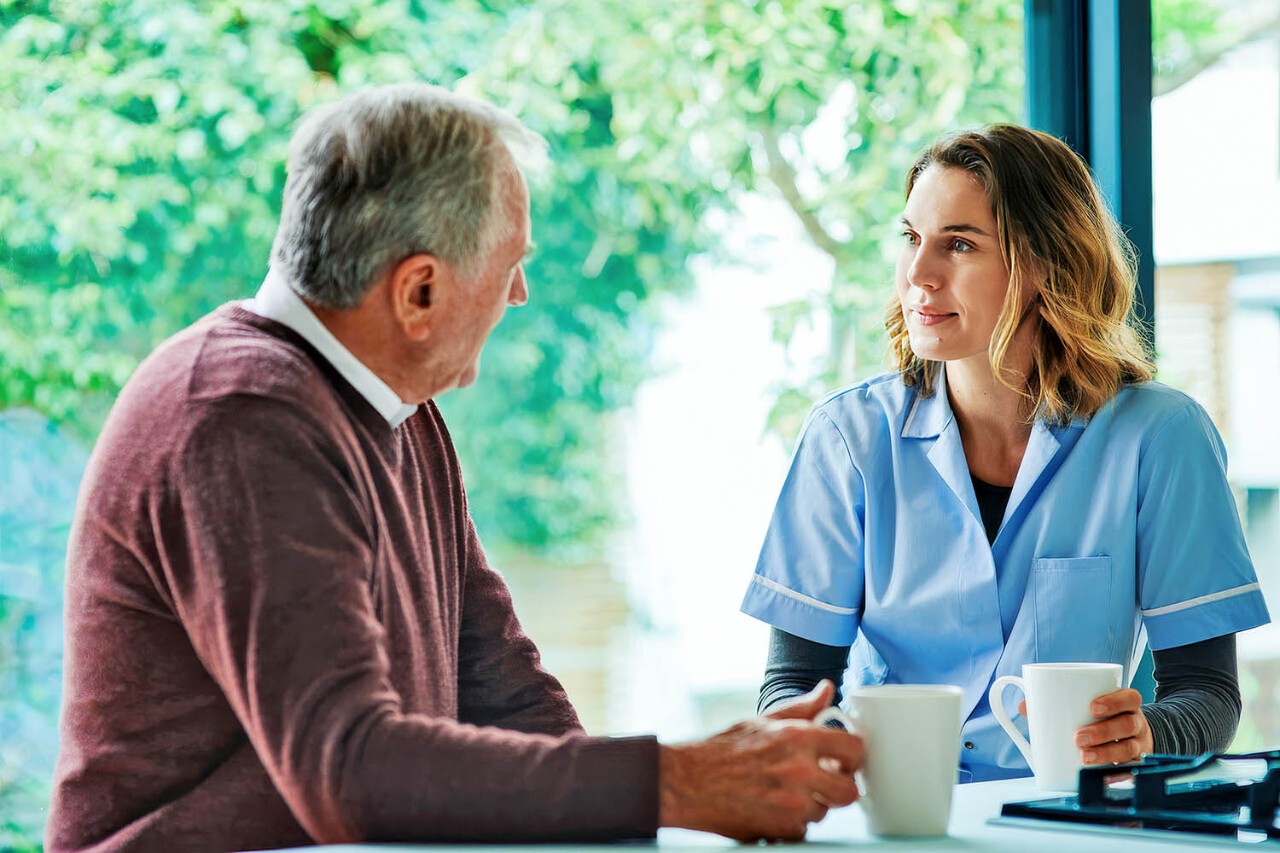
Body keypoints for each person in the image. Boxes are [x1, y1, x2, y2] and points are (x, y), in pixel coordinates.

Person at [46, 83, 864, 852]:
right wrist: (680, 780)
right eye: (509, 263)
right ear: (419, 291)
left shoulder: (399, 408)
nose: (521, 294)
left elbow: (506, 694)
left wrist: (694, 788)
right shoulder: (238, 411)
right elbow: (351, 769)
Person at [741, 124, 1271, 783]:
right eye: (911, 238)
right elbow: (794, 684)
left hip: (1070, 823)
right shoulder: (846, 439)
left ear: (1048, 262)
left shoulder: (1162, 438)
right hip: (900, 818)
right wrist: (829, 761)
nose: (918, 274)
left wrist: (1143, 735)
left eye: (958, 244)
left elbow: (1208, 692)